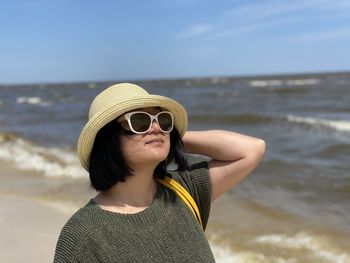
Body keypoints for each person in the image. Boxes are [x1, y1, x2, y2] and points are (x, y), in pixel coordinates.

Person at [54, 83, 265, 262]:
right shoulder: (82, 236)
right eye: (139, 121)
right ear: (108, 139)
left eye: (162, 119)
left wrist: (171, 137)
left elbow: (251, 149)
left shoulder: (183, 190)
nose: (156, 127)